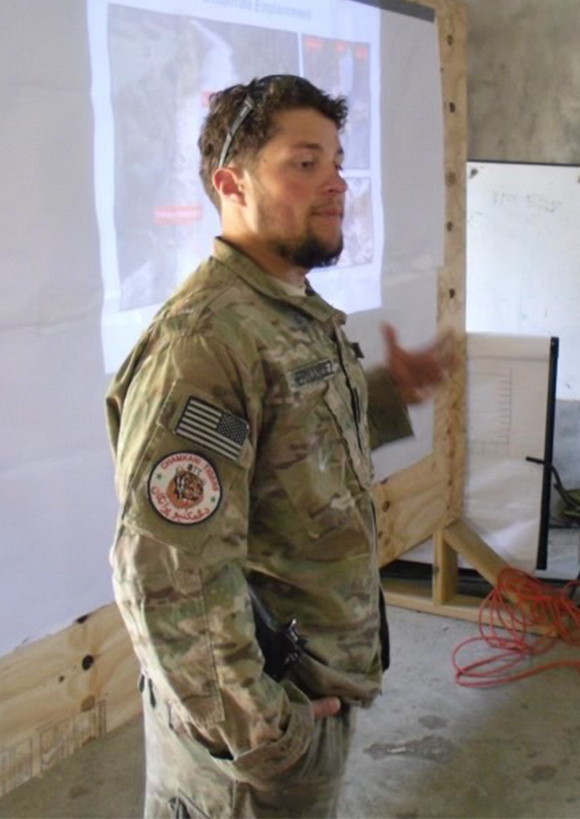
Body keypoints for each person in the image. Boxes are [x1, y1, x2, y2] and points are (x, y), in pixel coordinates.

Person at [107, 74, 448, 817]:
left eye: (336, 163)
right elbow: (168, 571)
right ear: (231, 182)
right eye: (305, 163)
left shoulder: (288, 311)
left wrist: (387, 393)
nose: (336, 184)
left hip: (306, 686)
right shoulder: (204, 343)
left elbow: (291, 451)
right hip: (250, 746)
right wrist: (266, 734)